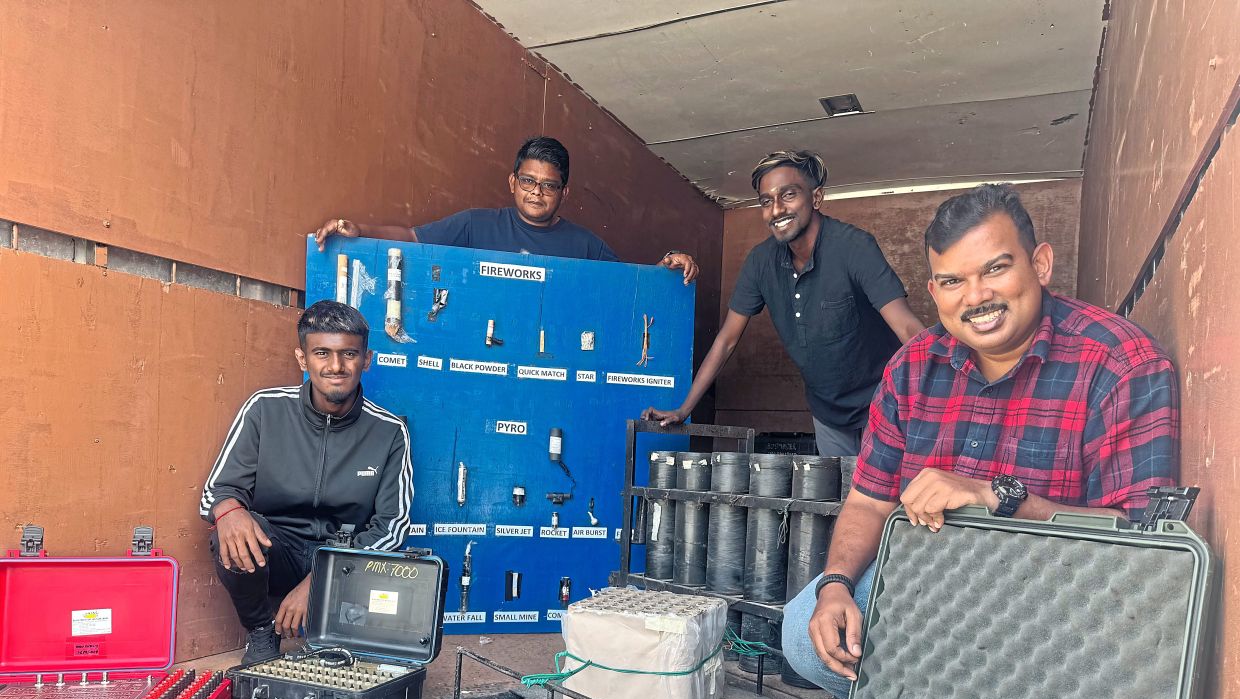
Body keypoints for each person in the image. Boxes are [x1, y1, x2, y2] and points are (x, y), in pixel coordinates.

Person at [781, 183, 1180, 699]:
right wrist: (835, 586)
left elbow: (1146, 539)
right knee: (805, 631)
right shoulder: (911, 367)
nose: (976, 297)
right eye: (953, 281)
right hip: (927, 586)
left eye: (995, 269)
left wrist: (996, 496)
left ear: (1040, 264)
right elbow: (867, 501)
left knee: (1005, 681)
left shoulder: (1121, 363)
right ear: (934, 291)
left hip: (1055, 608)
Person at [642, 150, 924, 455]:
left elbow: (907, 328)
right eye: (766, 201)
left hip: (885, 401)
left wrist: (951, 395)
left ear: (816, 198)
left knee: (890, 497)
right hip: (827, 412)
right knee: (843, 500)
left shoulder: (854, 246)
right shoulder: (761, 261)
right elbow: (727, 340)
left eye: (788, 195)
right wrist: (684, 410)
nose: (776, 209)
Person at [199, 301, 414, 665]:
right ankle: (261, 632)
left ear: (367, 360)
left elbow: (392, 527)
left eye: (349, 354)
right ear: (303, 359)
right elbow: (215, 493)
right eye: (322, 353)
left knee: (383, 568)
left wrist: (321, 580)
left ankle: (332, 631)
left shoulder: (390, 432)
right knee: (228, 527)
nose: (335, 366)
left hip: (343, 559)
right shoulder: (265, 408)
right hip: (278, 548)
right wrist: (229, 510)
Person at [313, 136, 698, 284]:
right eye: (528, 181)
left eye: (549, 185)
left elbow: (629, 284)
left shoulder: (585, 245)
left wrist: (665, 266)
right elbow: (413, 237)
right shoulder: (474, 224)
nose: (537, 192)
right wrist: (358, 229)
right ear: (513, 182)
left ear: (564, 192)